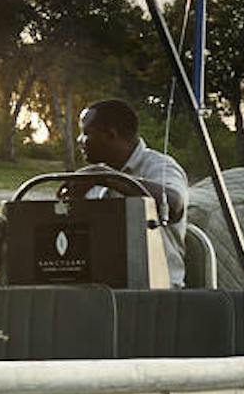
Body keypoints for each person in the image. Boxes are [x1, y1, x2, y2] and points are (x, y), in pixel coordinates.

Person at [77, 98, 190, 284]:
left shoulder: (160, 166)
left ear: (110, 134)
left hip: (156, 291)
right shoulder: (96, 175)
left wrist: (110, 179)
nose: (80, 140)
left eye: (86, 133)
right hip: (103, 290)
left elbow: (174, 203)